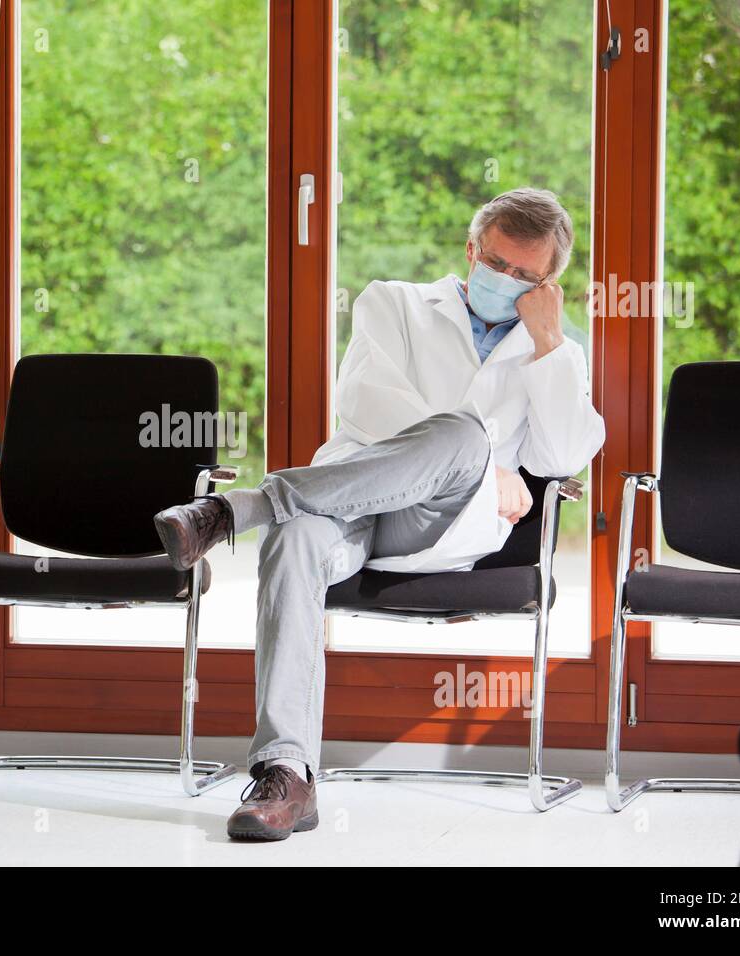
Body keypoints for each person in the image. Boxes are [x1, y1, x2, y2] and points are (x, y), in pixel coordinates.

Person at [154, 187, 606, 841]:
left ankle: (238, 508)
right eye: (498, 263)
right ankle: (286, 775)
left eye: (525, 276)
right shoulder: (392, 302)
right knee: (297, 539)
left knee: (462, 437)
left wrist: (545, 347)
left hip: (440, 526)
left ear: (549, 284)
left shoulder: (560, 351)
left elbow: (563, 453)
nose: (505, 281)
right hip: (344, 506)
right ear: (471, 249)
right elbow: (366, 401)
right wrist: (479, 458)